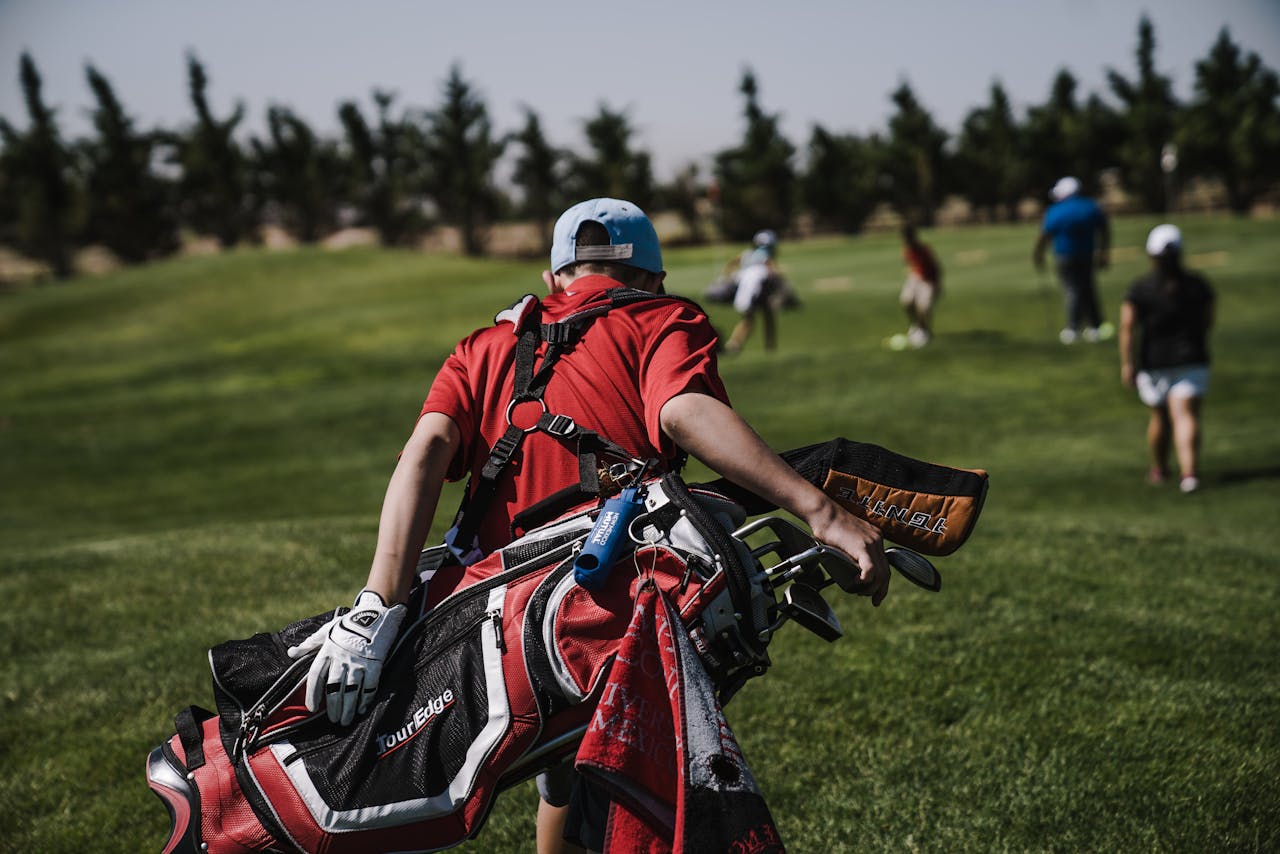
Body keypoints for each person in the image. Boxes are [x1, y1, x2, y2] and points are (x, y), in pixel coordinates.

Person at [285, 198, 891, 853]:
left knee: (563, 776)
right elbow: (684, 411)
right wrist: (821, 511)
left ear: (554, 279)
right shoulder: (663, 317)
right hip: (610, 612)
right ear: (653, 278)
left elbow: (427, 451)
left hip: (493, 628)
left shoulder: (484, 346)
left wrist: (378, 604)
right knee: (626, 784)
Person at [1119, 223, 1215, 494]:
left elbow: (1128, 328)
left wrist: (1128, 363)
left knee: (1160, 416)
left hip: (1155, 361)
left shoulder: (1140, 288)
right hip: (1193, 357)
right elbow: (1208, 321)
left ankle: (1159, 469)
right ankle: (1189, 474)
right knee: (1185, 415)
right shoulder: (1197, 285)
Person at [1033, 176, 1113, 344]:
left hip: (1064, 256)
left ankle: (1073, 328)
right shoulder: (1091, 206)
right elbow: (1105, 229)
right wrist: (1104, 253)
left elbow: (1044, 234)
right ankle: (1095, 326)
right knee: (1087, 288)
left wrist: (1038, 254)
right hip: (1087, 255)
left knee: (1072, 290)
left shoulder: (1056, 210)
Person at [724, 229, 787, 353]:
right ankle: (769, 348)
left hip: (744, 294)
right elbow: (773, 271)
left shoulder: (746, 254)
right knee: (761, 319)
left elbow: (731, 265)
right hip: (756, 295)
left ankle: (734, 344)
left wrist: (730, 275)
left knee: (748, 321)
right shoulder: (765, 256)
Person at [896, 224, 943, 348]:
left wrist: (938, 285)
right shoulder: (907, 250)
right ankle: (916, 326)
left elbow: (936, 268)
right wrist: (911, 271)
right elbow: (909, 262)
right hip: (915, 278)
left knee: (923, 308)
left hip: (928, 280)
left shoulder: (924, 249)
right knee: (906, 303)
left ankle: (924, 331)